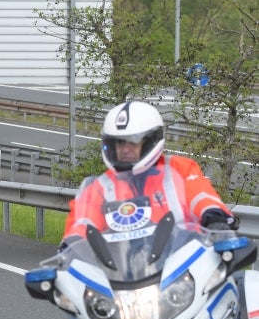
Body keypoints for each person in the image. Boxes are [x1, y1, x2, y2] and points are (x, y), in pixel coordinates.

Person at [62, 100, 238, 247]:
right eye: (119, 143)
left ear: (150, 141)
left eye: (133, 142)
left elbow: (202, 196)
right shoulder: (100, 187)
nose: (125, 149)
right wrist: (72, 244)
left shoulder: (180, 169)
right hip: (123, 270)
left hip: (184, 263)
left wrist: (215, 218)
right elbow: (83, 221)